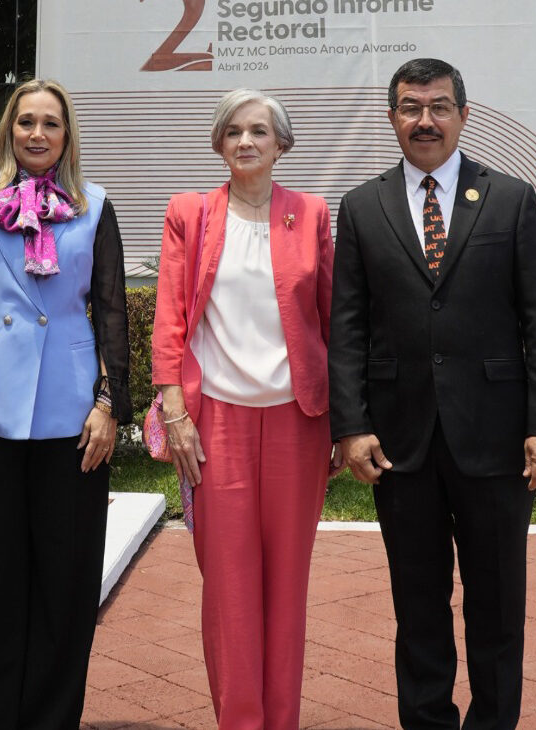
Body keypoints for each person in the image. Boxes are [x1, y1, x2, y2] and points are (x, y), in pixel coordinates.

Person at [329, 58, 536, 730]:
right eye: (411, 107)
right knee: (418, 606)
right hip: (400, 444)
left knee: (497, 605)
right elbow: (347, 327)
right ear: (392, 119)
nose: (425, 120)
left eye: (439, 106)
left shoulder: (510, 199)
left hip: (496, 441)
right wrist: (351, 426)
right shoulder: (362, 207)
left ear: (464, 115)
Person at [0, 78, 131, 728]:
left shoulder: (94, 206)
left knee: (65, 585)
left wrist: (110, 404)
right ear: (8, 131)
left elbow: (111, 309)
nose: (37, 134)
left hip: (72, 418)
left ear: (67, 135)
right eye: (26, 122)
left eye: (51, 123)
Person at [152, 89, 334, 729]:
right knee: (229, 587)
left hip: (298, 422)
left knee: (287, 584)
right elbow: (170, 317)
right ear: (218, 143)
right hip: (215, 422)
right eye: (233, 131)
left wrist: (345, 421)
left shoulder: (311, 213)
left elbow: (332, 316)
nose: (246, 141)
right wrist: (174, 411)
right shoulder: (190, 212)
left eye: (259, 131)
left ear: (281, 144)